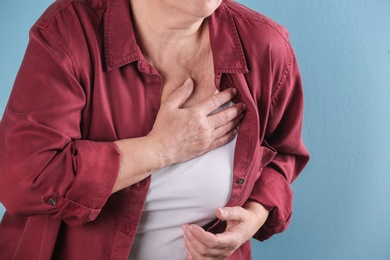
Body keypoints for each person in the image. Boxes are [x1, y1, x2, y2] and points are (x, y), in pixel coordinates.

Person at [0, 0, 310, 259]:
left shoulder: (265, 46)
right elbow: (24, 181)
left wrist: (254, 217)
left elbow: (282, 155)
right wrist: (161, 149)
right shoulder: (68, 32)